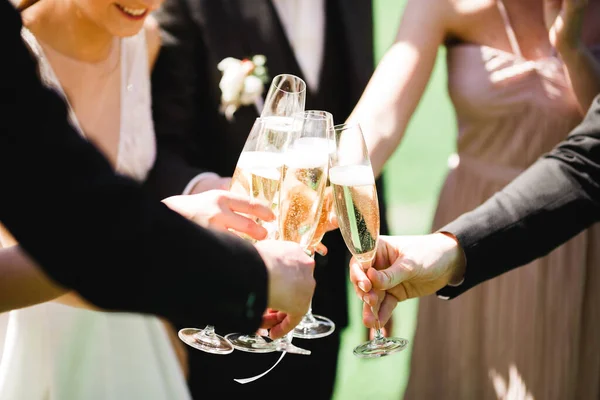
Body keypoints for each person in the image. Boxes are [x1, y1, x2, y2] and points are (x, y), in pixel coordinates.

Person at [0, 0, 315, 383]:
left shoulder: (144, 40)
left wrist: (209, 193)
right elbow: (69, 229)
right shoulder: (12, 54)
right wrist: (185, 229)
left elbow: (131, 180)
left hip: (140, 330)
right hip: (32, 347)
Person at [345, 0, 600, 398]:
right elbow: (380, 118)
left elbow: (593, 149)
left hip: (573, 229)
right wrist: (337, 179)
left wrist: (570, 46)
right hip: (467, 227)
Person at [148, 0, 388, 397]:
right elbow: (156, 146)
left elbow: (358, 143)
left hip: (322, 299)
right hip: (222, 292)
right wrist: (212, 196)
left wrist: (369, 251)